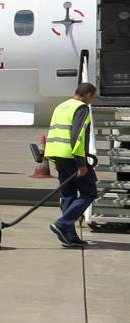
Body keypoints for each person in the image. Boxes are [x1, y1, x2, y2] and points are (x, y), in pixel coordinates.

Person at [45, 82, 97, 247]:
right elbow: (77, 135)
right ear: (88, 95)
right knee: (90, 192)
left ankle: (69, 236)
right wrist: (81, 163)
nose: (92, 100)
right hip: (71, 155)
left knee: (68, 194)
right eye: (92, 97)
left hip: (56, 153)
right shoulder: (81, 108)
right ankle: (62, 223)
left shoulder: (61, 106)